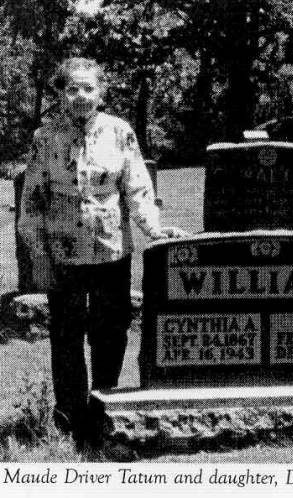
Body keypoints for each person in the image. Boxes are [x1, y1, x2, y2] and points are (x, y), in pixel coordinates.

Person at [18, 57, 189, 447]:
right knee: (65, 335)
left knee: (110, 332)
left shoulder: (120, 131)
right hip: (62, 254)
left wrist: (154, 228)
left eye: (88, 88)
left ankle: (105, 408)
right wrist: (39, 256)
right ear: (60, 94)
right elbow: (32, 203)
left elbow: (138, 190)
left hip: (111, 251)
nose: (80, 96)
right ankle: (69, 417)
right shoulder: (45, 137)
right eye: (72, 89)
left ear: (101, 93)